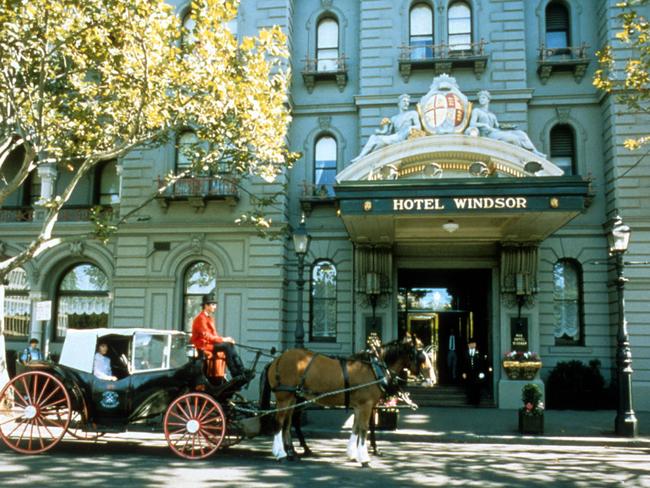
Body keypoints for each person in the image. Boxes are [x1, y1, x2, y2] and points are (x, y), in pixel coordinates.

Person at [191, 293, 253, 381]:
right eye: (213, 304)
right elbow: (208, 337)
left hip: (209, 345)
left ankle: (240, 370)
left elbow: (214, 335)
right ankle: (235, 372)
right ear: (206, 306)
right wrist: (224, 339)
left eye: (215, 304)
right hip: (203, 346)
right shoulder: (200, 319)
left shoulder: (209, 318)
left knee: (229, 345)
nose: (215, 306)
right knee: (227, 346)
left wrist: (227, 339)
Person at [468, 90, 545, 157]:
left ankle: (535, 152)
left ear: (488, 100)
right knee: (514, 139)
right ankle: (522, 156)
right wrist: (484, 125)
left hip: (495, 132)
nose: (481, 100)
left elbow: (498, 126)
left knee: (521, 133)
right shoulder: (477, 111)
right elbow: (472, 124)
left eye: (483, 98)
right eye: (480, 98)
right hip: (488, 134)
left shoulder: (492, 114)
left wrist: (509, 127)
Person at [351, 94, 422, 161]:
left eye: (408, 102)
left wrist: (409, 129)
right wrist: (380, 131)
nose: (406, 103)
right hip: (396, 137)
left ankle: (362, 157)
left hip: (403, 135)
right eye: (404, 101)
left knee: (376, 141)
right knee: (373, 138)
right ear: (399, 103)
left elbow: (418, 126)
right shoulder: (394, 118)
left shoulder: (412, 113)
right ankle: (363, 157)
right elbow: (387, 132)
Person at [461, 338, 485, 406]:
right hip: (469, 372)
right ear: (468, 345)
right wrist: (463, 372)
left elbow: (482, 362)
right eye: (471, 344)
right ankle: (470, 400)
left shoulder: (478, 352)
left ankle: (477, 401)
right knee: (469, 386)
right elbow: (463, 363)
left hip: (477, 372)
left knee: (477, 387)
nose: (473, 345)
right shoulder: (465, 352)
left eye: (474, 344)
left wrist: (482, 372)